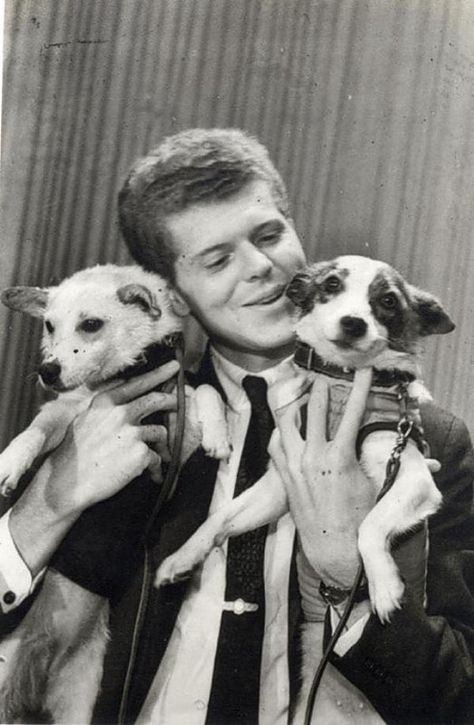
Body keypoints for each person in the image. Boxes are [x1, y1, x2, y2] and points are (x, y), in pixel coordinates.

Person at [0, 128, 473, 724]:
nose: (262, 269)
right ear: (171, 293)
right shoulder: (113, 416)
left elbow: (460, 694)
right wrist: (47, 503)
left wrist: (346, 575)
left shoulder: (429, 437)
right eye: (218, 259)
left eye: (270, 234)